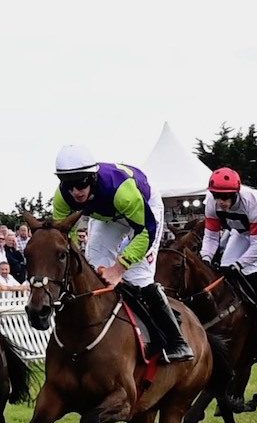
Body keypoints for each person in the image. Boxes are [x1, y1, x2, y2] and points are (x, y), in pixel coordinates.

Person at [51, 144, 192, 361]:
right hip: (108, 217)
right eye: (68, 185)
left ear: (92, 177)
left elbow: (146, 231)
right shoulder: (62, 198)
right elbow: (63, 238)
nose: (75, 192)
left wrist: (119, 268)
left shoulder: (122, 192)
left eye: (81, 184)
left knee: (138, 275)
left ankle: (177, 341)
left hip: (143, 211)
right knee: (93, 266)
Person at [201, 168, 257, 336]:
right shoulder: (211, 203)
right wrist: (206, 257)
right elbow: (211, 236)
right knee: (225, 267)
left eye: (225, 197)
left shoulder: (252, 202)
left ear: (236, 193)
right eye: (217, 196)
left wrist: (239, 264)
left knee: (249, 269)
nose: (220, 201)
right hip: (242, 233)